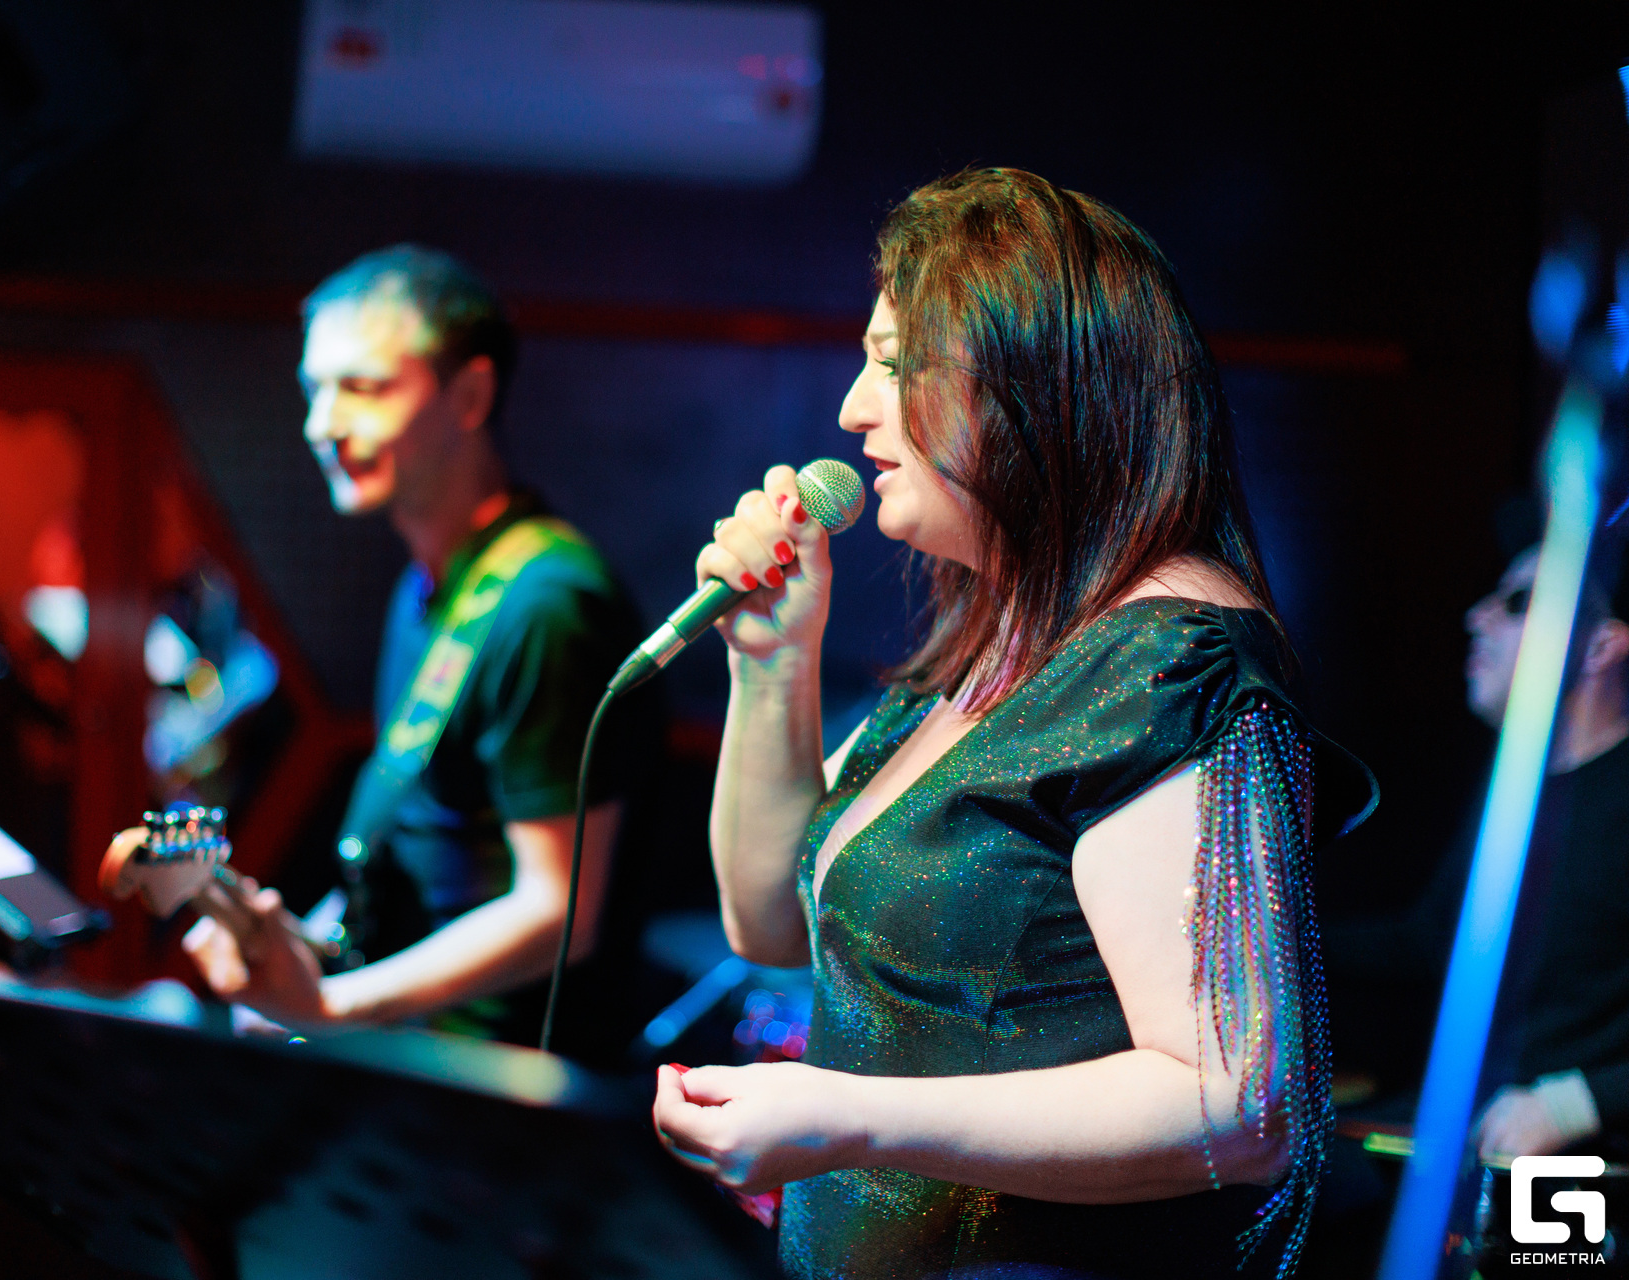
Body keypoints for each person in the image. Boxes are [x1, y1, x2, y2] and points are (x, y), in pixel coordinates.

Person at [650, 169, 1374, 1279]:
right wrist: (772, 662)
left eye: (897, 363)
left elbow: (1236, 1106)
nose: (853, 409)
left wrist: (849, 1117)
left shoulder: (1167, 661)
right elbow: (769, 924)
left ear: (1033, 380)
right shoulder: (997, 639)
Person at [139, 245, 657, 1054]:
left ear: (470, 396)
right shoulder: (427, 586)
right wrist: (300, 957)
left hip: (505, 1079)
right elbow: (423, 850)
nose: (321, 425)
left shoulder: (547, 602)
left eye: (364, 387)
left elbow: (559, 910)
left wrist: (333, 1005)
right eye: (315, 389)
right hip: (426, 1050)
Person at [1330, 538, 1629, 1161]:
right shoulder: (1516, 787)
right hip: (1464, 1130)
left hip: (1580, 1171)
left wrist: (1578, 1103)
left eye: (1519, 603)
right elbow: (1427, 943)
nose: (1477, 617)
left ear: (1601, 646)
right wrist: (1262, 934)